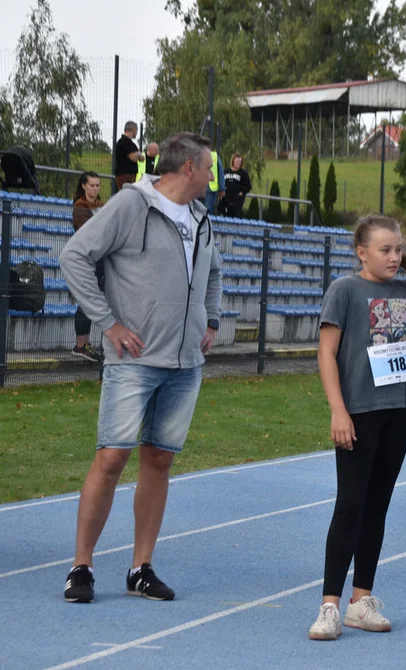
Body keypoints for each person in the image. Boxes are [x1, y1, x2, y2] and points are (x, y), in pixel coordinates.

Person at [58, 132, 223, 604]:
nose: (212, 175)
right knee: (111, 457)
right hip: (135, 360)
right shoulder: (132, 205)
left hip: (185, 362)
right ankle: (82, 567)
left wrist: (210, 320)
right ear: (187, 168)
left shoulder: (200, 215)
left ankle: (140, 568)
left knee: (159, 459)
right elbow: (74, 256)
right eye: (208, 167)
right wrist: (107, 324)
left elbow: (213, 271)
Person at [308, 214, 406, 641]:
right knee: (350, 504)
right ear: (362, 252)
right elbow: (325, 353)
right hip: (358, 411)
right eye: (385, 250)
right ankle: (329, 606)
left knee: (378, 505)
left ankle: (361, 601)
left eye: (397, 249)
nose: (394, 257)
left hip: (398, 408)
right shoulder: (345, 291)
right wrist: (338, 410)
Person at [69, 171, 105, 363]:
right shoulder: (80, 206)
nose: (95, 188)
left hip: (100, 259)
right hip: (86, 259)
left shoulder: (100, 205)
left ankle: (86, 344)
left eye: (98, 185)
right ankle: (81, 345)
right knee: (86, 301)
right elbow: (89, 231)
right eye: (92, 185)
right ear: (83, 185)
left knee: (94, 299)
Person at [221, 153, 251, 218]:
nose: (239, 163)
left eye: (240, 162)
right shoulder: (226, 171)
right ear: (233, 161)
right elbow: (222, 182)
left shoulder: (243, 173)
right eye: (237, 161)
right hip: (226, 198)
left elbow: (248, 186)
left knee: (234, 214)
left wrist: (242, 192)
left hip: (237, 200)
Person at [113, 121, 141, 189]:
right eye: (136, 130)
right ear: (132, 130)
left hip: (131, 175)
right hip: (124, 175)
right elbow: (134, 158)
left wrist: (137, 155)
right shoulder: (123, 142)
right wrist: (137, 155)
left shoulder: (132, 144)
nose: (137, 133)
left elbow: (141, 158)